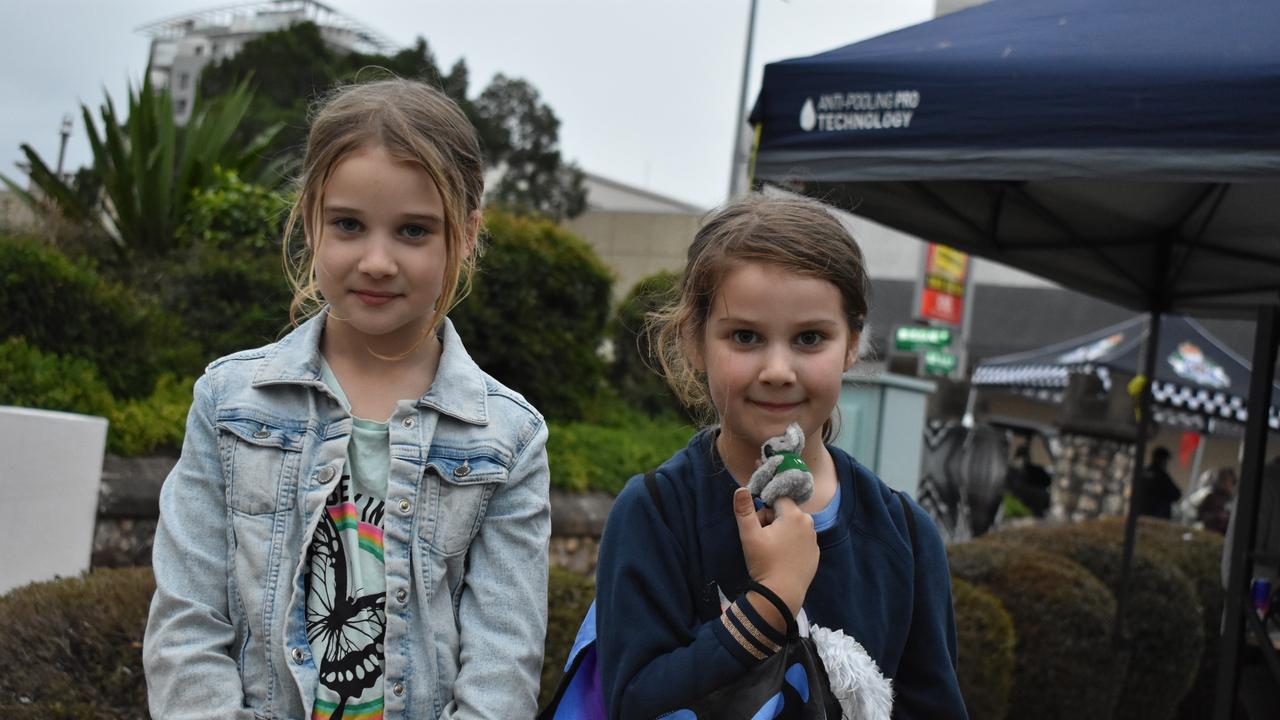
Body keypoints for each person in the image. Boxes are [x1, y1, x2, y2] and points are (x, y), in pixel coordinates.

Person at [143, 79, 551, 719]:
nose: (378, 260)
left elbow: (503, 664)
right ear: (310, 220)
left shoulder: (507, 440)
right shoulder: (227, 404)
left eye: (414, 230)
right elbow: (186, 622)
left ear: (466, 235)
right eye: (349, 225)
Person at [593, 194, 967, 719]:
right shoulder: (656, 513)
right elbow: (633, 703)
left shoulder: (906, 536)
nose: (777, 369)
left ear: (852, 343)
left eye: (810, 338)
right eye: (745, 336)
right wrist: (770, 603)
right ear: (695, 341)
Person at [1006, 442, 1052, 518]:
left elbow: (1047, 480)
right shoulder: (1013, 470)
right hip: (1022, 497)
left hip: (1026, 497)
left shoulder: (1031, 469)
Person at [1135, 446, 1182, 519]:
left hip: (1140, 514)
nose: (1166, 463)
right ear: (1162, 460)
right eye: (1166, 460)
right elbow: (1176, 494)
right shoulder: (1161, 476)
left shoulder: (1144, 472)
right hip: (1156, 517)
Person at [1196, 467, 1237, 534]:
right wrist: (1217, 516)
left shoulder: (1232, 499)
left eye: (1230, 481)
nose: (1228, 484)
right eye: (1226, 480)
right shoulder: (1211, 497)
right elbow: (1200, 516)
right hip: (1211, 533)